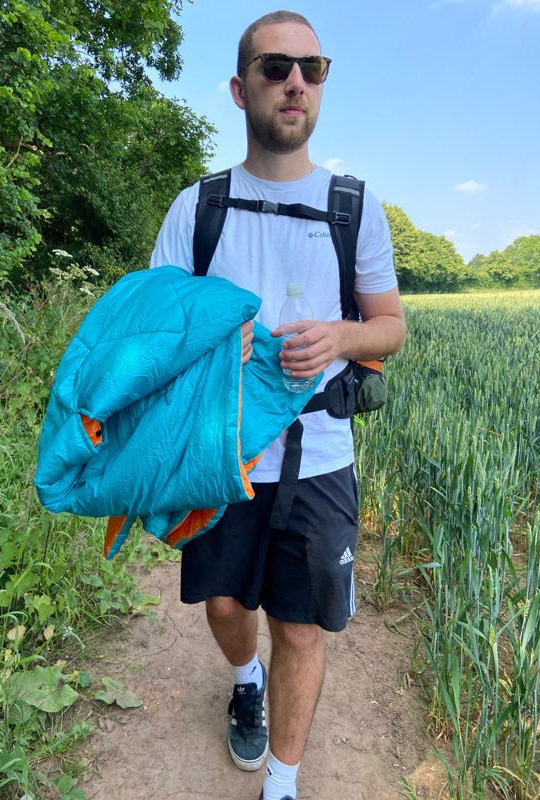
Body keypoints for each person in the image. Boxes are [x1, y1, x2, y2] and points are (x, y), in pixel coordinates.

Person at [149, 10, 406, 800]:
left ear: (321, 86)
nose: (295, 81)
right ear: (240, 87)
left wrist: (337, 338)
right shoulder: (200, 209)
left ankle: (284, 784)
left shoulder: (354, 209)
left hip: (321, 455)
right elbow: (157, 332)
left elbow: (390, 328)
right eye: (275, 67)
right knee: (225, 603)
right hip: (221, 452)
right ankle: (243, 676)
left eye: (312, 68)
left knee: (301, 625)